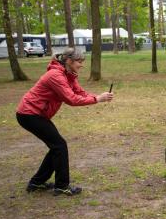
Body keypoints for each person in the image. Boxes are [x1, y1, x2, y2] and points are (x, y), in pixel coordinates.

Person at [16, 48, 113, 196]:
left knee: (57, 146)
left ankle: (37, 182)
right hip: (29, 114)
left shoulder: (68, 74)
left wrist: (98, 97)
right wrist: (97, 99)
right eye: (79, 62)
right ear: (68, 61)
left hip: (36, 114)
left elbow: (79, 93)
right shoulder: (55, 75)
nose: (81, 65)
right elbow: (71, 99)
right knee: (59, 146)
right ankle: (61, 186)